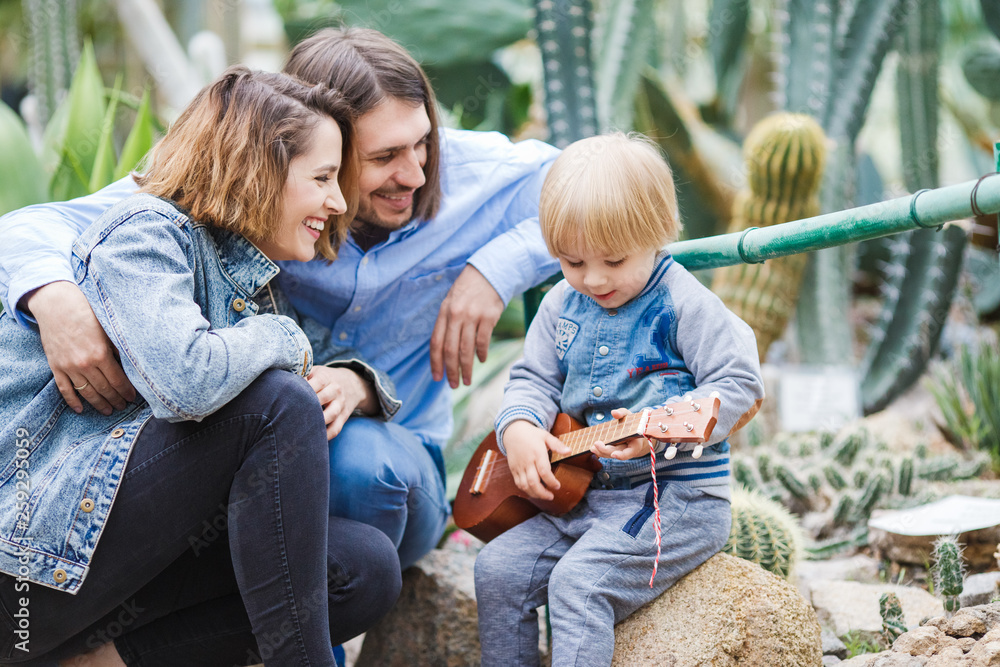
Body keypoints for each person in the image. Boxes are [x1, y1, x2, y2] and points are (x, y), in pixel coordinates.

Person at [0, 27, 562, 570]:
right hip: (257, 465)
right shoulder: (256, 184)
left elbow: (617, 194)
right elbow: (35, 226)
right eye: (385, 155)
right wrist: (55, 299)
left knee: (351, 467)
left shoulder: (477, 175)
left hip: (393, 461)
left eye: (424, 142)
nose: (414, 172)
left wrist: (491, 271)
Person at [0, 67, 401, 666]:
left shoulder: (246, 279)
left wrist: (355, 381)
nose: (338, 202)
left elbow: (306, 358)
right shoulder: (145, 236)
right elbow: (189, 382)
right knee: (277, 403)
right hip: (25, 566)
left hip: (95, 580)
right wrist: (282, 339)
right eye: (321, 178)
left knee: (360, 566)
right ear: (259, 169)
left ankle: (95, 660)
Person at [473, 133, 766, 666]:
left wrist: (659, 426)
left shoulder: (684, 304)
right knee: (497, 571)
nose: (593, 278)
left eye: (612, 259)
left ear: (657, 232)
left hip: (674, 503)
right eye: (572, 261)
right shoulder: (562, 304)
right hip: (583, 496)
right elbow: (532, 379)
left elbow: (739, 383)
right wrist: (518, 426)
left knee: (579, 587)